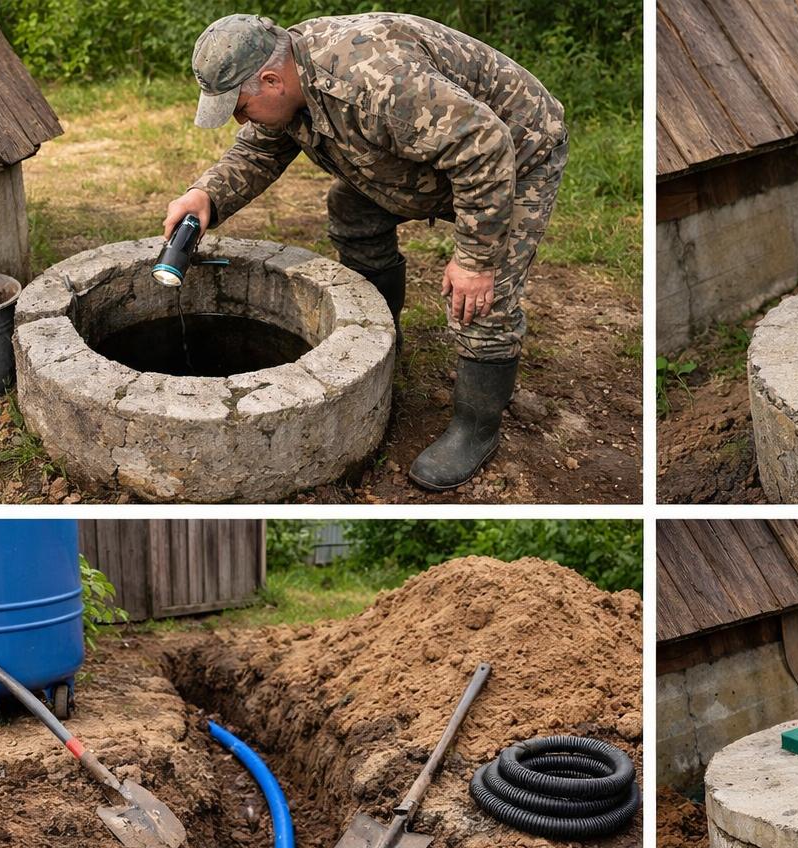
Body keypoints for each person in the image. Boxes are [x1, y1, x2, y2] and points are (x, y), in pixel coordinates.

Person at [163, 13, 567, 490]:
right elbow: (259, 151)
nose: (239, 118)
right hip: (434, 151)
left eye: (240, 106)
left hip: (516, 153)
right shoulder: (292, 76)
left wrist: (476, 260)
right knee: (352, 208)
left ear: (271, 81)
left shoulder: (376, 84)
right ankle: (384, 339)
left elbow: (484, 145)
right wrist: (205, 195)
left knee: (481, 296)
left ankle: (475, 428)